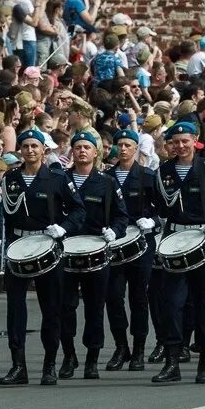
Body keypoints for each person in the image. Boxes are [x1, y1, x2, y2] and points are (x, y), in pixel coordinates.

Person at [0, 129, 85, 386]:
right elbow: (8, 213)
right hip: (19, 245)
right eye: (25, 146)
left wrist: (64, 228)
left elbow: (79, 210)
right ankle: (18, 366)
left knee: (52, 307)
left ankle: (50, 364)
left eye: (35, 146)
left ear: (43, 150)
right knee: (15, 307)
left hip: (47, 245)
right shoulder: (11, 178)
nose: (30, 150)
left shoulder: (56, 178)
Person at [152, 121, 205, 385]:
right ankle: (172, 360)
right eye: (175, 142)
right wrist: (152, 221)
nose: (180, 146)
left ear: (195, 140)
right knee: (172, 303)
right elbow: (156, 204)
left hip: (204, 241)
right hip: (175, 241)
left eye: (185, 141)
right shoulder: (164, 170)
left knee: (204, 304)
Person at [58, 131, 129, 380]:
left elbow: (122, 215)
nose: (82, 151)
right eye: (77, 147)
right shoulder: (60, 179)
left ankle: (92, 359)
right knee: (64, 307)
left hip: (97, 252)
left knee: (95, 308)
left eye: (87, 147)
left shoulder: (107, 182)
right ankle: (68, 355)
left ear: (96, 152)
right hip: (66, 252)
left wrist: (115, 231)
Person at [104, 129, 160, 372]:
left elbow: (162, 207)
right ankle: (121, 346)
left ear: (136, 148)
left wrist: (153, 221)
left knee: (139, 298)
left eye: (128, 144)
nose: (124, 149)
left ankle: (138, 349)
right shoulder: (106, 177)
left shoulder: (147, 176)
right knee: (113, 296)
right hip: (115, 242)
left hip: (141, 243)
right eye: (120, 145)